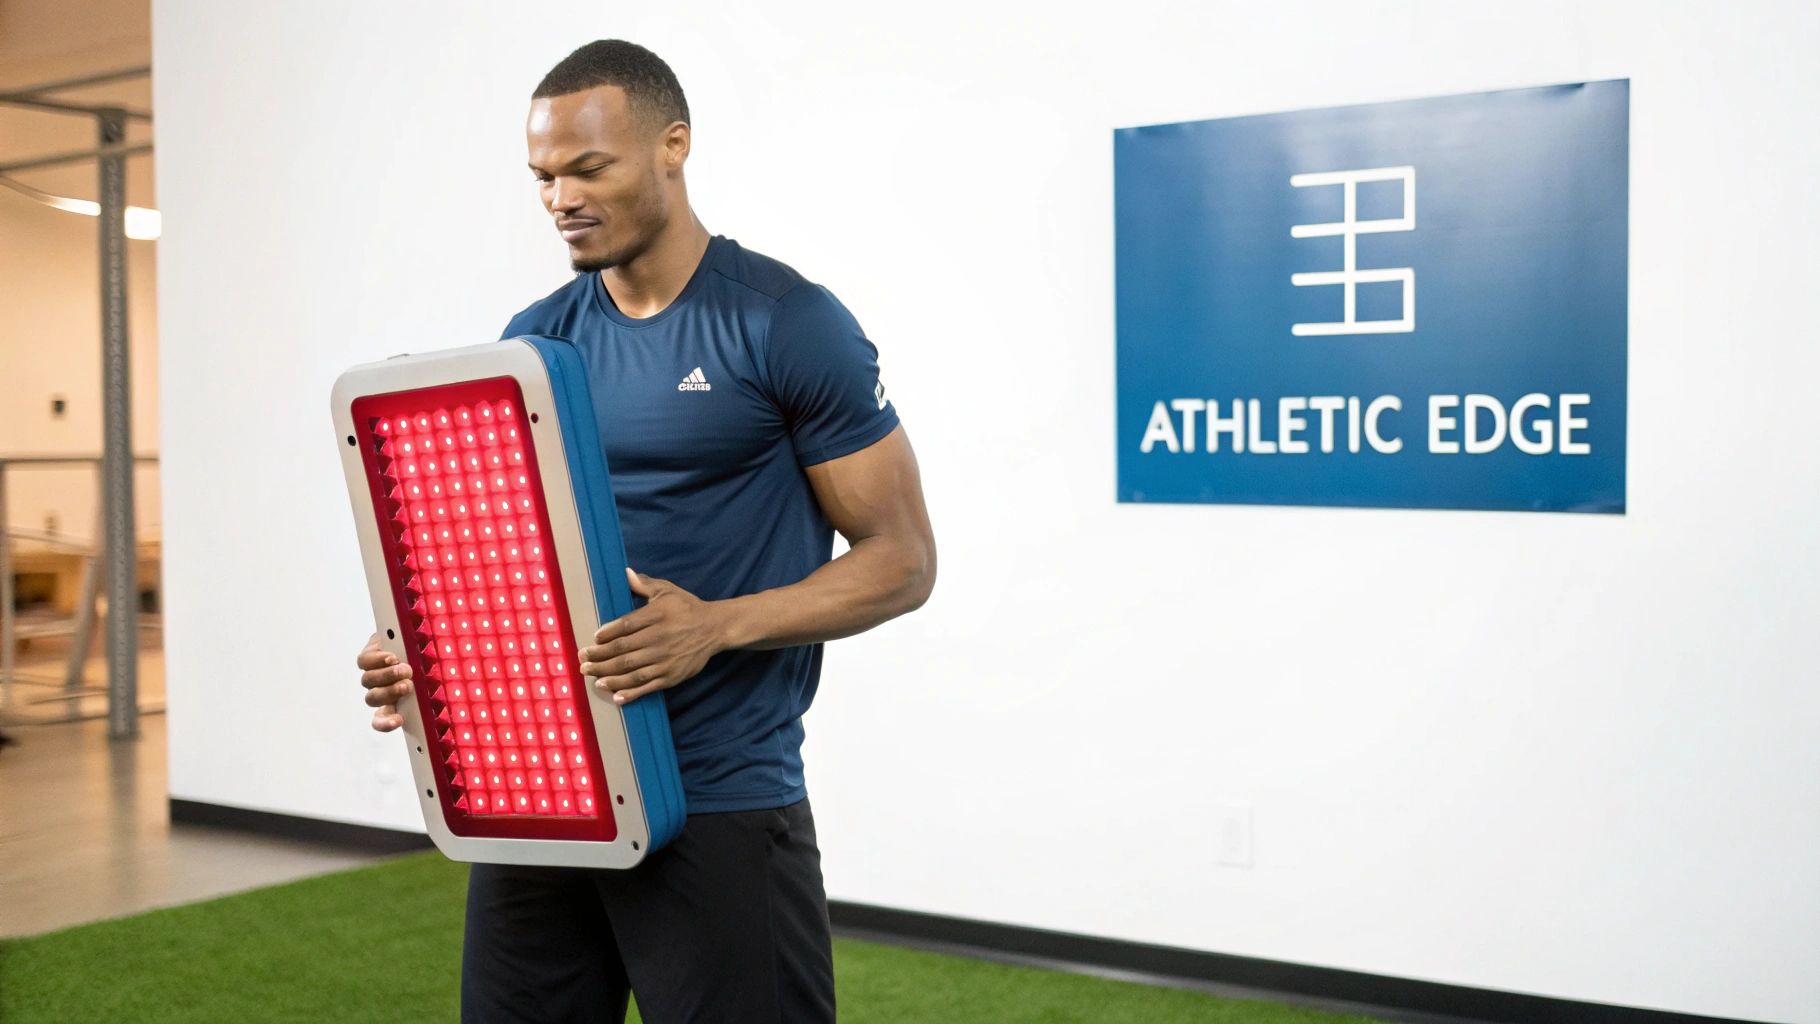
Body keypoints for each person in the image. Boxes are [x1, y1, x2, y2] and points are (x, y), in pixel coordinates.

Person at [353, 39, 936, 1023]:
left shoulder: (783, 322)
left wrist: (713, 625)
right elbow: (502, 566)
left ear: (674, 146)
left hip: (714, 792)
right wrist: (419, 653)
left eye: (591, 167)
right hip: (548, 790)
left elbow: (901, 561)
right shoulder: (533, 340)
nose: (561, 199)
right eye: (544, 177)